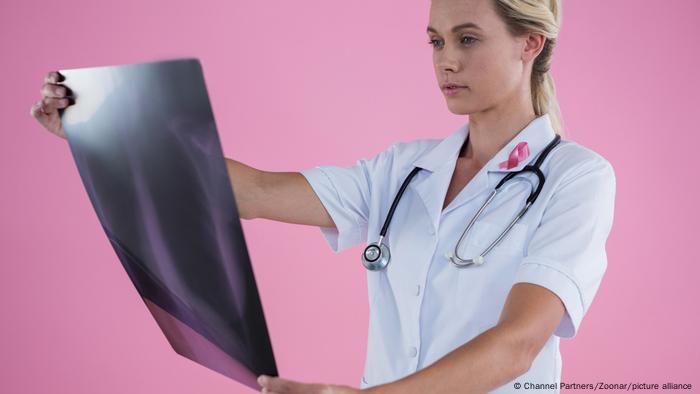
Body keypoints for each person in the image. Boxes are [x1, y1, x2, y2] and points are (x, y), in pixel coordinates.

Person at [31, 0, 616, 392]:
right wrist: (101, 133)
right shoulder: (406, 170)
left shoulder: (575, 178)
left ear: (530, 44)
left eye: (467, 38)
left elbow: (517, 346)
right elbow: (253, 191)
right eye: (435, 40)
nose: (446, 60)